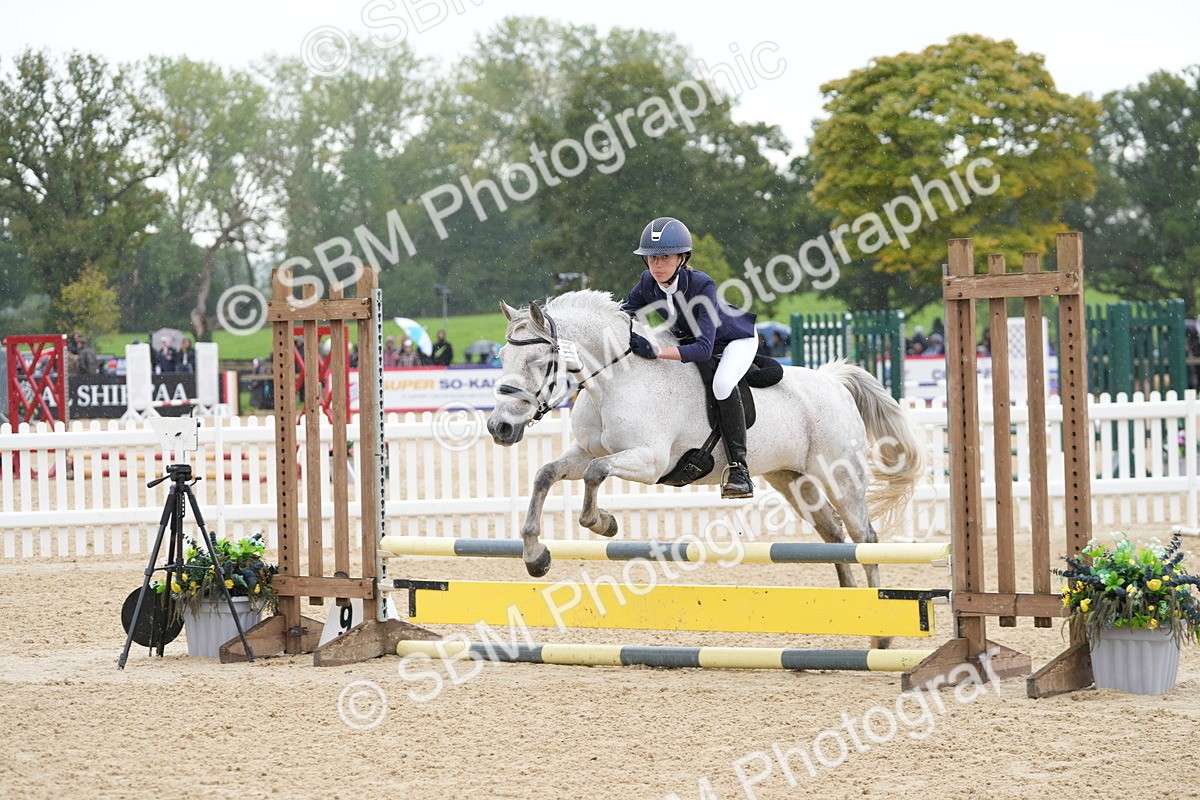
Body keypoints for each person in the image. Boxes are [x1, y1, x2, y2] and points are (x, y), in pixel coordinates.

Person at [620, 216, 757, 499]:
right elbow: (622, 315)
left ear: (682, 258)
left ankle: (739, 470)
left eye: (665, 257)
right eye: (651, 258)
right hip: (697, 340)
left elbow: (704, 348)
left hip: (735, 339)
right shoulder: (647, 283)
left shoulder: (702, 285)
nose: (657, 265)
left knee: (722, 384)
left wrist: (656, 351)